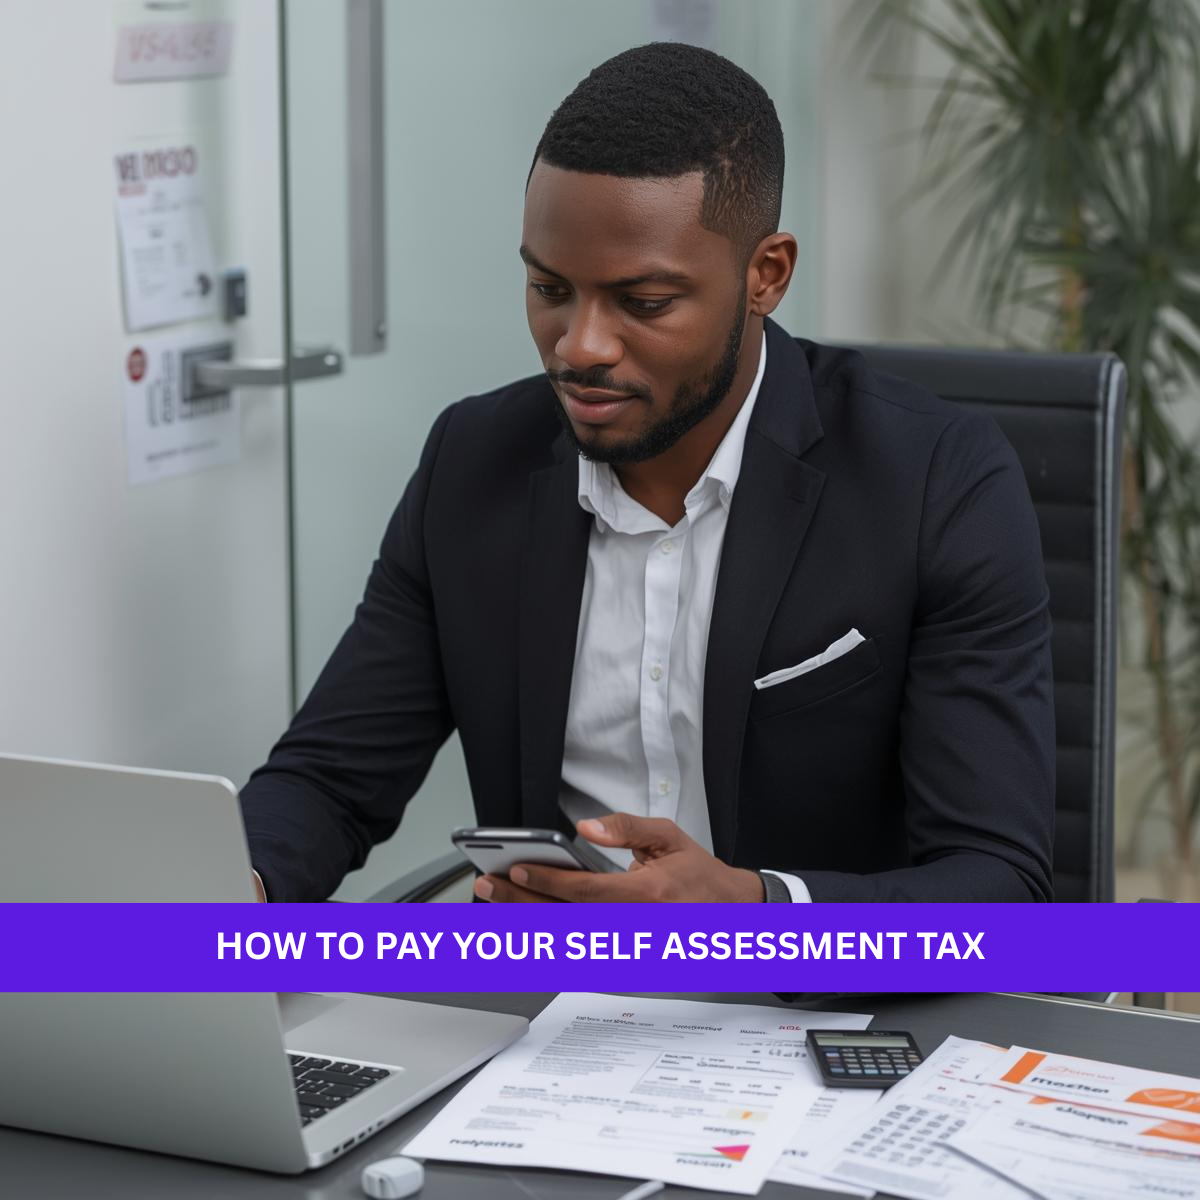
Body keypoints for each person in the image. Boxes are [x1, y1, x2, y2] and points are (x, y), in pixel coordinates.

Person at [240, 42, 1054, 905]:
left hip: (824, 1013)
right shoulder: (472, 463)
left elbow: (998, 887)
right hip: (552, 1010)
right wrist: (234, 891)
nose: (580, 347)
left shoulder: (936, 480)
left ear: (765, 276)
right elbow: (327, 781)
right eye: (550, 289)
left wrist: (747, 913)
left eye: (644, 303)